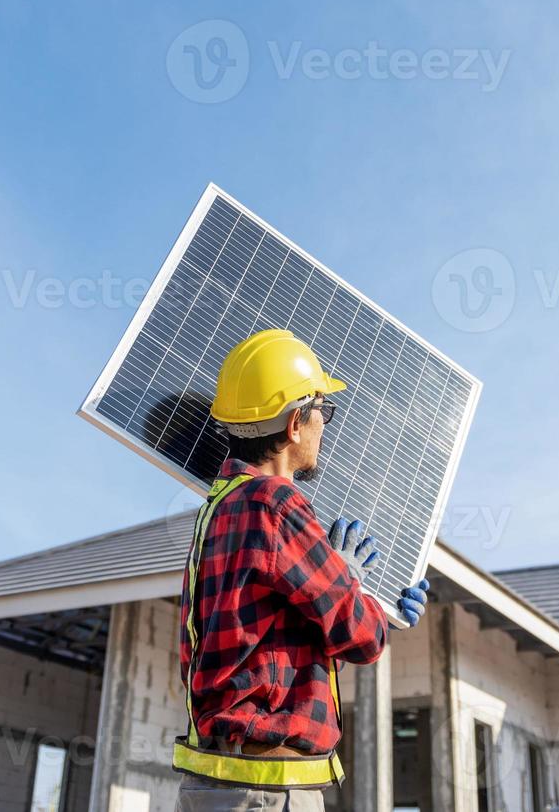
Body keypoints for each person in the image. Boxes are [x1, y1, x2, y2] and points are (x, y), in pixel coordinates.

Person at [173, 329, 430, 810]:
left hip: (216, 780)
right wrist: (355, 587)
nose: (324, 427)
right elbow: (363, 636)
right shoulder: (277, 504)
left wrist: (334, 574)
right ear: (295, 424)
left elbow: (271, 615)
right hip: (267, 790)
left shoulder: (219, 506)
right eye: (322, 413)